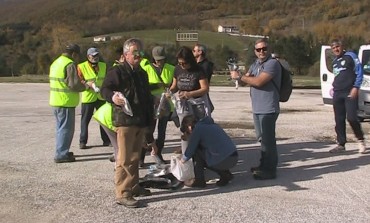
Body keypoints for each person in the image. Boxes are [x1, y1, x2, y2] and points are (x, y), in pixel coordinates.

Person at [101, 38, 154, 208]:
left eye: (141, 53)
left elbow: (145, 98)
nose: (139, 56)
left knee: (135, 156)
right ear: (125, 55)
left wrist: (149, 120)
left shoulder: (142, 73)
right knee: (124, 158)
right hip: (125, 120)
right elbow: (105, 89)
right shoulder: (117, 72)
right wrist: (113, 97)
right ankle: (123, 193)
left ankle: (134, 186)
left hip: (139, 120)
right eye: (135, 53)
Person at [230, 38, 281, 180]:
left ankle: (270, 170)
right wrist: (237, 76)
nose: (262, 51)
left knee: (268, 140)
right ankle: (263, 165)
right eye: (258, 49)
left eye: (264, 48)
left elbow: (258, 82)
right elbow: (245, 80)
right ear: (255, 51)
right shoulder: (255, 65)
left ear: (268, 49)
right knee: (261, 138)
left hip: (269, 108)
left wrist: (241, 77)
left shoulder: (272, 64)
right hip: (257, 108)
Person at [169, 46, 211, 154]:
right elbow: (174, 86)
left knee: (200, 129)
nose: (182, 66)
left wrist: (190, 94)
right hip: (183, 104)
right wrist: (170, 92)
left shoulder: (198, 70)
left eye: (184, 63)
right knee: (185, 129)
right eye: (180, 63)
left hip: (198, 104)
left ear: (190, 61)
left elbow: (205, 88)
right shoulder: (177, 69)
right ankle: (186, 154)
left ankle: (201, 154)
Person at [328, 39, 366, 154]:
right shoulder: (334, 61)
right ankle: (341, 144)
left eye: (337, 47)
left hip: (350, 91)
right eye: (333, 48)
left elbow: (359, 72)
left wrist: (356, 87)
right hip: (338, 93)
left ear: (342, 46)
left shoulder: (350, 56)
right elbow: (337, 76)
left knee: (352, 118)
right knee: (339, 119)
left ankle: (361, 140)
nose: (336, 49)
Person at [49, 43, 85, 163]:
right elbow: (74, 84)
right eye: (77, 55)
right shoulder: (69, 64)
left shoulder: (56, 63)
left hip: (56, 101)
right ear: (74, 54)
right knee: (66, 129)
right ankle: (61, 154)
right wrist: (85, 86)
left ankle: (62, 150)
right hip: (65, 102)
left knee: (60, 128)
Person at [180, 114, 238, 188]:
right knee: (206, 151)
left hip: (224, 160)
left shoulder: (198, 129)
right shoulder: (211, 125)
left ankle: (200, 180)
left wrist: (182, 160)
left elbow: (191, 150)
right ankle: (226, 173)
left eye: (187, 131)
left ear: (189, 127)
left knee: (197, 152)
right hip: (233, 156)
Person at [140, 46, 175, 165]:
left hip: (166, 104)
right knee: (148, 130)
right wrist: (157, 86)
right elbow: (142, 86)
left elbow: (175, 84)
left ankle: (158, 154)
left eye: (162, 59)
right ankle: (141, 157)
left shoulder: (171, 68)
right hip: (151, 103)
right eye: (157, 60)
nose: (159, 62)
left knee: (162, 131)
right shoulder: (145, 68)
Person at [78, 47, 110, 149]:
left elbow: (107, 79)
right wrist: (87, 84)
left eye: (97, 55)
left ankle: (106, 140)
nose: (95, 57)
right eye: (93, 55)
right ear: (88, 56)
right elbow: (79, 80)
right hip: (88, 97)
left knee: (103, 119)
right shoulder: (81, 66)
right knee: (85, 120)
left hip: (100, 97)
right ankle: (82, 142)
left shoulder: (103, 65)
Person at [193, 43, 215, 112]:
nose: (192, 52)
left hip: (201, 92)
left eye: (194, 50)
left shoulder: (206, 65)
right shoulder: (195, 64)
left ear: (200, 52)